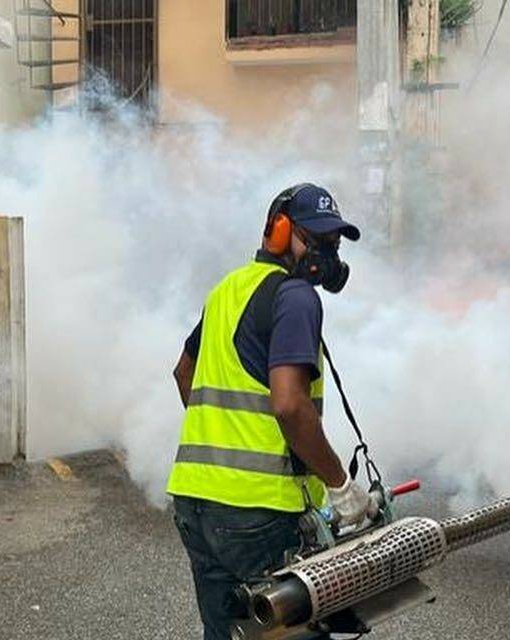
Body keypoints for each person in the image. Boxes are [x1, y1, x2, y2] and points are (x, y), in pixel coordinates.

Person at [168, 183, 376, 639]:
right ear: (279, 232)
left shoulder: (227, 289)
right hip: (259, 516)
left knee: (228, 634)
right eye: (315, 239)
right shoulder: (297, 297)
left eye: (333, 243)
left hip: (194, 505)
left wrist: (223, 443)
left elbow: (184, 374)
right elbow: (288, 403)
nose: (326, 253)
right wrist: (340, 484)